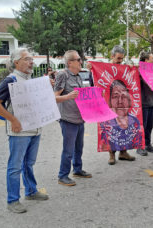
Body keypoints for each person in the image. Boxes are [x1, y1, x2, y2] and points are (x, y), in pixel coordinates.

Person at [0, 48, 48, 214]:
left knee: (29, 163)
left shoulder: (30, 79)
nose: (31, 62)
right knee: (15, 166)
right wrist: (13, 120)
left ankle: (31, 191)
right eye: (27, 59)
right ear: (16, 62)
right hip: (20, 132)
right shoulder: (11, 80)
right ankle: (12, 200)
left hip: (34, 130)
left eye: (32, 58)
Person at [87, 45, 135, 165]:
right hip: (109, 104)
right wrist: (91, 71)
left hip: (122, 104)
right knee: (111, 129)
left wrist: (131, 70)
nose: (120, 61)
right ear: (112, 56)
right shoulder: (103, 68)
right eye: (118, 58)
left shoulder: (123, 68)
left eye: (122, 59)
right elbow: (95, 82)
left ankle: (123, 152)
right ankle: (111, 154)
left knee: (124, 127)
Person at [54, 50, 92, 187]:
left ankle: (77, 169)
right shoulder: (62, 75)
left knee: (79, 147)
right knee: (68, 149)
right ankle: (62, 175)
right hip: (68, 118)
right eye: (78, 59)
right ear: (70, 62)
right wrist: (68, 97)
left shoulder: (78, 76)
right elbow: (54, 97)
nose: (81, 61)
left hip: (79, 118)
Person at [100, 80, 143, 151]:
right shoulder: (105, 123)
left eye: (124, 96)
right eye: (115, 96)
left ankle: (123, 153)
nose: (120, 101)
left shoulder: (135, 122)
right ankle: (112, 155)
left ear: (129, 100)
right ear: (110, 101)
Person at [136, 51, 153, 156]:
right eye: (152, 58)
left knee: (149, 125)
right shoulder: (139, 71)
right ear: (145, 60)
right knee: (142, 126)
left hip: (152, 101)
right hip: (144, 102)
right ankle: (139, 146)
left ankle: (148, 144)